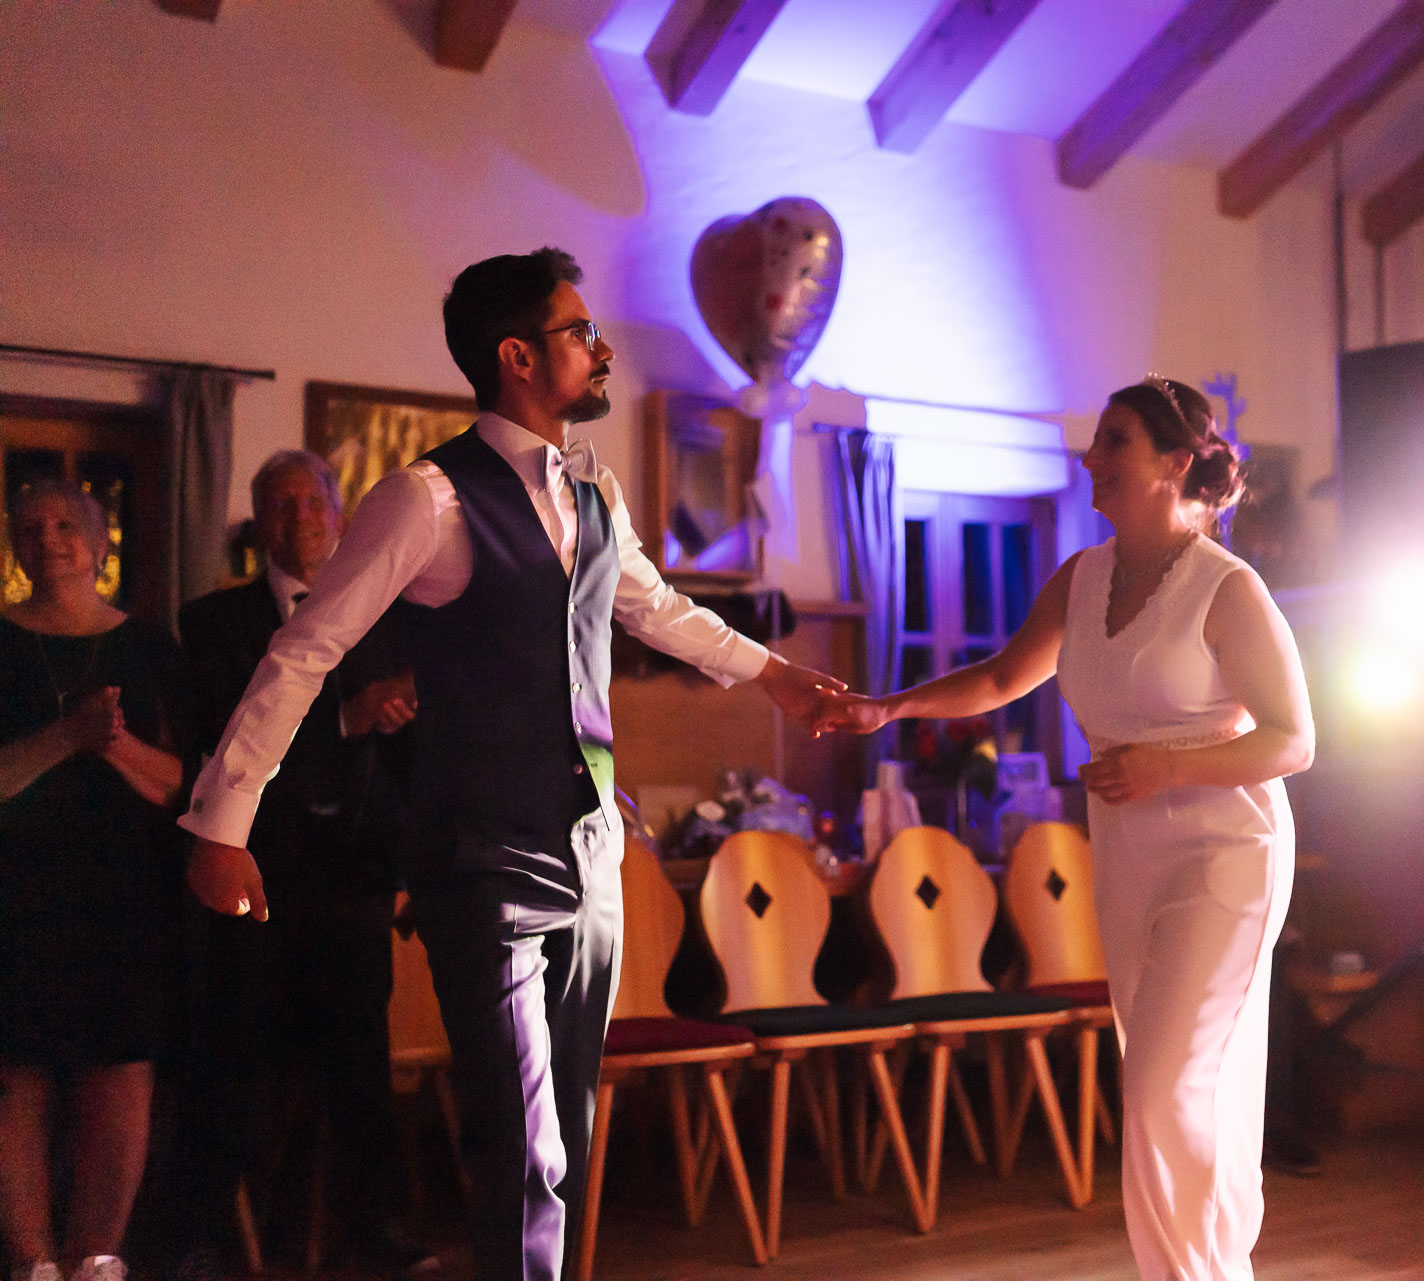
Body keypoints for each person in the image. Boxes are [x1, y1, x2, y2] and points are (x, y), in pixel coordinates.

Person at [177, 247, 842, 1281]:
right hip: (481, 857)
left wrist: (779, 677)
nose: (602, 348)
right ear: (518, 356)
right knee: (526, 1150)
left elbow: (659, 611)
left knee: (568, 1134)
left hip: (594, 852)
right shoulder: (426, 498)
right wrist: (222, 824)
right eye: (581, 332)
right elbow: (305, 651)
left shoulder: (596, 493)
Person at [814, 376, 1315, 1281]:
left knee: (1165, 1084)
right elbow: (1001, 678)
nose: (1091, 458)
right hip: (1128, 851)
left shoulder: (1228, 589)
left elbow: (1294, 740)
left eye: (1114, 440)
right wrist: (888, 707)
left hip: (1227, 852)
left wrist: (1166, 767)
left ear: (1174, 462)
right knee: (1160, 1082)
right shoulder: (1082, 578)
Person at [176, 451, 427, 1274]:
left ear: (340, 513)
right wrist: (348, 719)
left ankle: (374, 1232)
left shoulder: (388, 614)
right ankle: (207, 1239)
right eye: (280, 505)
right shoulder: (214, 622)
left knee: (361, 1068)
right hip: (258, 874)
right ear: (260, 526)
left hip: (357, 878)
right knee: (236, 1062)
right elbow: (226, 738)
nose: (300, 518)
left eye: (312, 502)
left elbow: (411, 752)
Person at [0, 480, 187, 1281]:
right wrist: (68, 735)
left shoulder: (150, 648)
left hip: (124, 891)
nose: (48, 538)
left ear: (101, 543)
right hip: (16, 891)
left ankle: (97, 1259)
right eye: (30, 528)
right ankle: (33, 1262)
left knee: (119, 1071)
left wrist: (108, 743)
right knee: (16, 1076)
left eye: (65, 525)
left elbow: (183, 782)